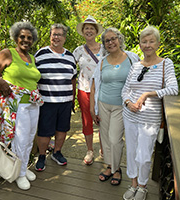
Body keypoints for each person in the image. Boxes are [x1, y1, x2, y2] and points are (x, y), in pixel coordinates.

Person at [122, 26, 178, 200]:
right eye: (144, 41)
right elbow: (125, 90)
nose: (147, 45)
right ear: (140, 44)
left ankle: (142, 186)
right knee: (131, 152)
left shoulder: (165, 64)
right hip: (130, 115)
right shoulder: (136, 65)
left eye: (151, 41)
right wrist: (128, 102)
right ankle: (133, 185)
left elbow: (173, 88)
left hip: (149, 119)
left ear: (158, 44)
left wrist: (148, 94)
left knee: (144, 156)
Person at [0, 21, 43, 190]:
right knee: (20, 140)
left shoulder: (32, 58)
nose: (26, 40)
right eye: (22, 37)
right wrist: (0, 81)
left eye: (29, 38)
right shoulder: (7, 53)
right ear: (16, 38)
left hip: (33, 104)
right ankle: (19, 175)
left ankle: (23, 168)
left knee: (29, 139)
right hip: (17, 105)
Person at [90, 27, 140, 185]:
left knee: (114, 138)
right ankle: (109, 166)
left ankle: (117, 169)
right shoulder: (102, 61)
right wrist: (92, 109)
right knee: (105, 138)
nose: (110, 42)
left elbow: (141, 81)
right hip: (103, 104)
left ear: (119, 39)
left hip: (122, 105)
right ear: (104, 44)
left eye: (113, 39)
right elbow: (94, 84)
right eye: (107, 41)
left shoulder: (132, 58)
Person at [34, 23, 77, 171]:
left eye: (59, 34)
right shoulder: (40, 54)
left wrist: (73, 98)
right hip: (46, 101)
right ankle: (41, 156)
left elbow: (73, 79)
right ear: (50, 36)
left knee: (62, 129)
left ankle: (57, 152)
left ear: (64, 38)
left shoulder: (71, 56)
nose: (56, 37)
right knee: (45, 131)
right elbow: (33, 76)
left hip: (65, 101)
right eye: (54, 34)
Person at [73, 15, 104, 165]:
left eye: (92, 28)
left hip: (102, 90)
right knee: (87, 119)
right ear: (83, 31)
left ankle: (104, 149)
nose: (89, 31)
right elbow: (70, 70)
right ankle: (90, 150)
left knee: (104, 118)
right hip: (84, 89)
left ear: (96, 31)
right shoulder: (78, 51)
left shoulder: (105, 48)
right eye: (87, 28)